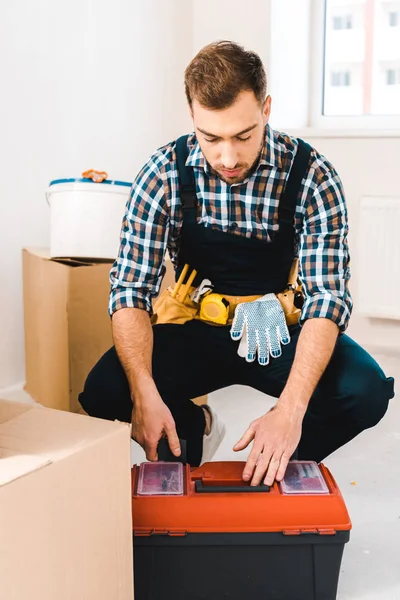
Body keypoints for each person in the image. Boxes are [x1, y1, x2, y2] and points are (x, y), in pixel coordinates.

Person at [79, 41, 394, 487]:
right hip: (196, 325)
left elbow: (327, 300)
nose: (227, 158)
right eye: (212, 138)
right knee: (106, 390)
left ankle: (276, 460)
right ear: (192, 117)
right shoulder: (162, 174)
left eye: (243, 136)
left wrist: (289, 410)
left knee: (364, 392)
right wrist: (143, 395)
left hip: (276, 329)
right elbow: (130, 291)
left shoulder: (311, 175)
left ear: (266, 109)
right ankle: (192, 433)